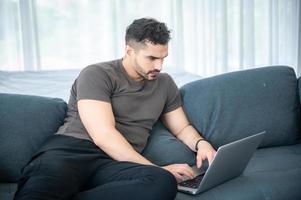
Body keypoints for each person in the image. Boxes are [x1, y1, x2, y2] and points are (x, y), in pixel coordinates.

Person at [14, 18, 216, 200]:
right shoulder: (98, 74)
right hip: (71, 152)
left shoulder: (164, 83)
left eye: (163, 58)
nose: (159, 66)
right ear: (129, 51)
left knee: (162, 182)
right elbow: (103, 135)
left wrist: (201, 143)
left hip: (114, 165)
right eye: (152, 58)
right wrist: (157, 168)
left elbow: (181, 128)